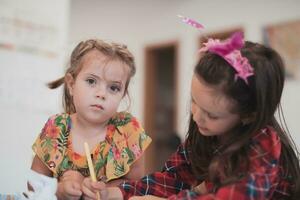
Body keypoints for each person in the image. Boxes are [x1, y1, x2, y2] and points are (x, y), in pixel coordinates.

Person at [84, 32, 300, 200]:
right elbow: (173, 179)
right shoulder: (205, 134)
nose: (196, 117)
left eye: (211, 114)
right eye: (194, 102)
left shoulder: (263, 144)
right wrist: (118, 193)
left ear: (249, 115)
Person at [30, 39, 152, 199]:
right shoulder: (56, 128)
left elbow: (137, 187)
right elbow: (33, 185)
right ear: (71, 84)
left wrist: (102, 189)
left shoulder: (127, 131)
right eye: (91, 81)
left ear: (123, 94)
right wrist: (58, 189)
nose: (101, 93)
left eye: (113, 88)